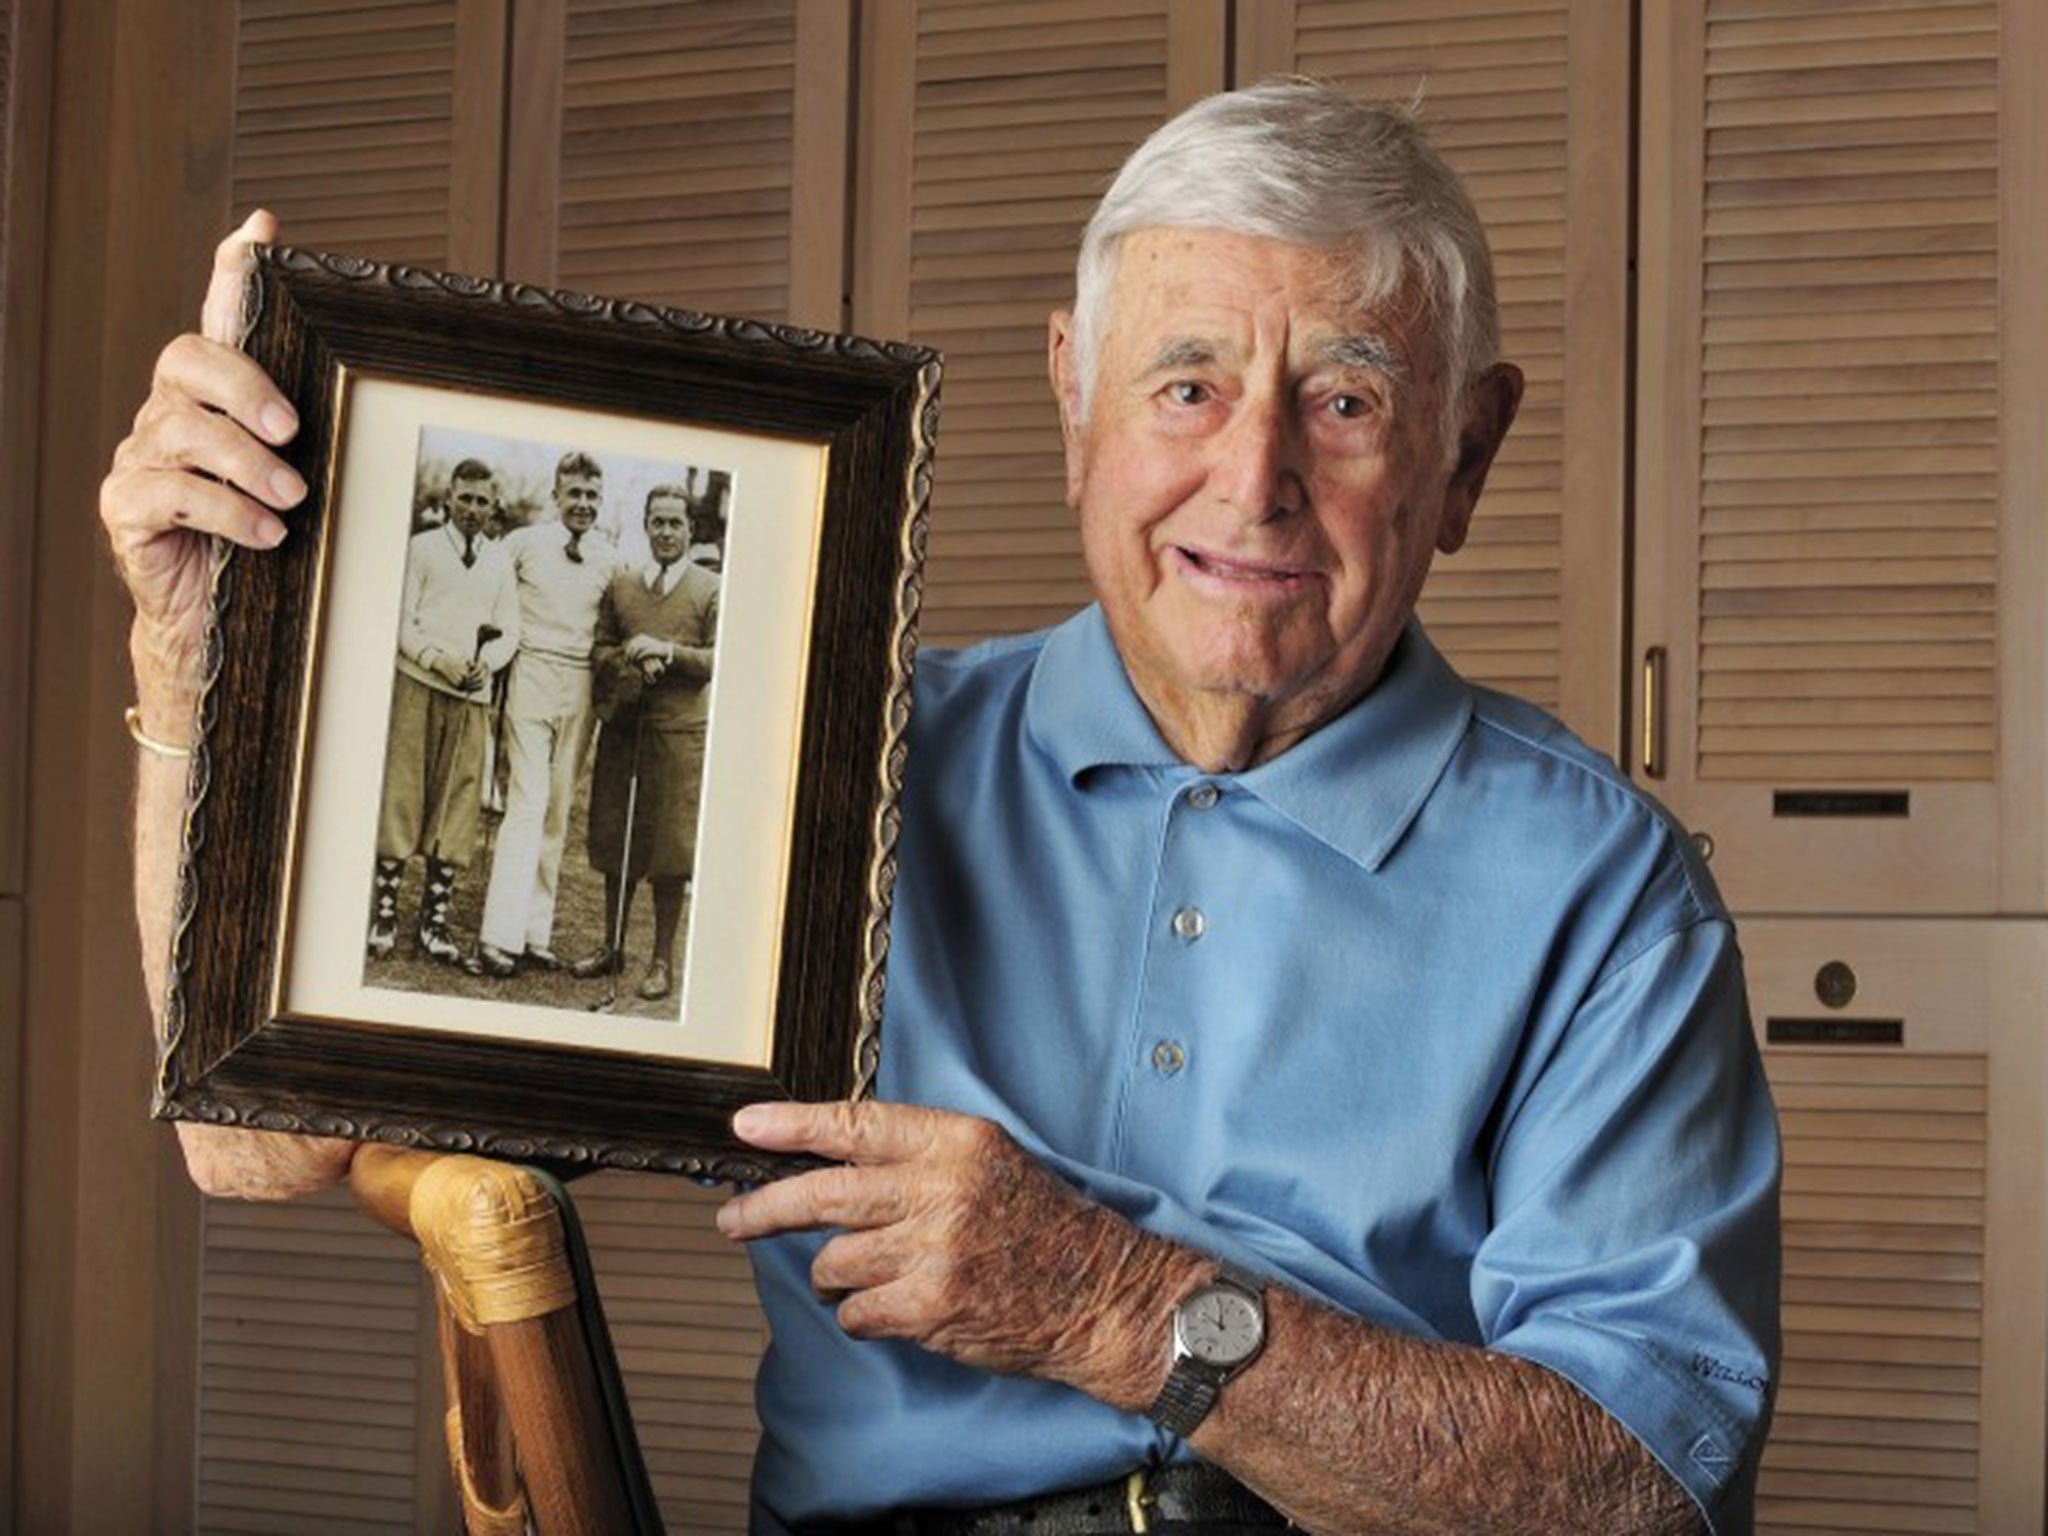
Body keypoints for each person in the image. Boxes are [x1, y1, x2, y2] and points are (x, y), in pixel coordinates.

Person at [103, 81, 1777, 1536]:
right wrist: (191, 655)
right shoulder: (825, 769)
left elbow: (1636, 1492)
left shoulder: (1600, 888)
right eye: (1184, 386)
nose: (1252, 479)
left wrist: (1117, 1306)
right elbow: (252, 1142)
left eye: (1343, 401)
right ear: (1072, 402)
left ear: (1466, 456)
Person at [468, 450, 618, 977]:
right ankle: (497, 936)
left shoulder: (609, 556)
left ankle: (534, 933)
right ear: (556, 496)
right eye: (573, 493)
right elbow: (484, 588)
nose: (582, 504)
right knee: (527, 803)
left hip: (580, 683)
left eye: (591, 496)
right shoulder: (524, 543)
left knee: (556, 810)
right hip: (530, 671)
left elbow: (614, 624)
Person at [571, 486, 719, 1002]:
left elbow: (720, 658)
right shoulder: (624, 585)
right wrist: (634, 657)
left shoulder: (710, 588)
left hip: (678, 735)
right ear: (645, 526)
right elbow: (600, 649)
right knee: (617, 835)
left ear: (690, 530)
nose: (665, 532)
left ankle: (662, 960)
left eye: (675, 523)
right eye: (656, 522)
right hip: (624, 727)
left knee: (668, 847)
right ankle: (611, 945)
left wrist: (669, 652)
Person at [369, 456, 520, 962]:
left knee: (457, 803)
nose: (472, 509)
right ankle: (384, 912)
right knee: (403, 791)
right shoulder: (422, 549)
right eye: (465, 498)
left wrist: (486, 666)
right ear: (448, 498)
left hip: (471, 698)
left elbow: (510, 631)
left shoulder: (500, 561)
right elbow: (400, 620)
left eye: (482, 501)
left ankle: (433, 923)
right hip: (418, 684)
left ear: (494, 505)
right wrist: (437, 660)